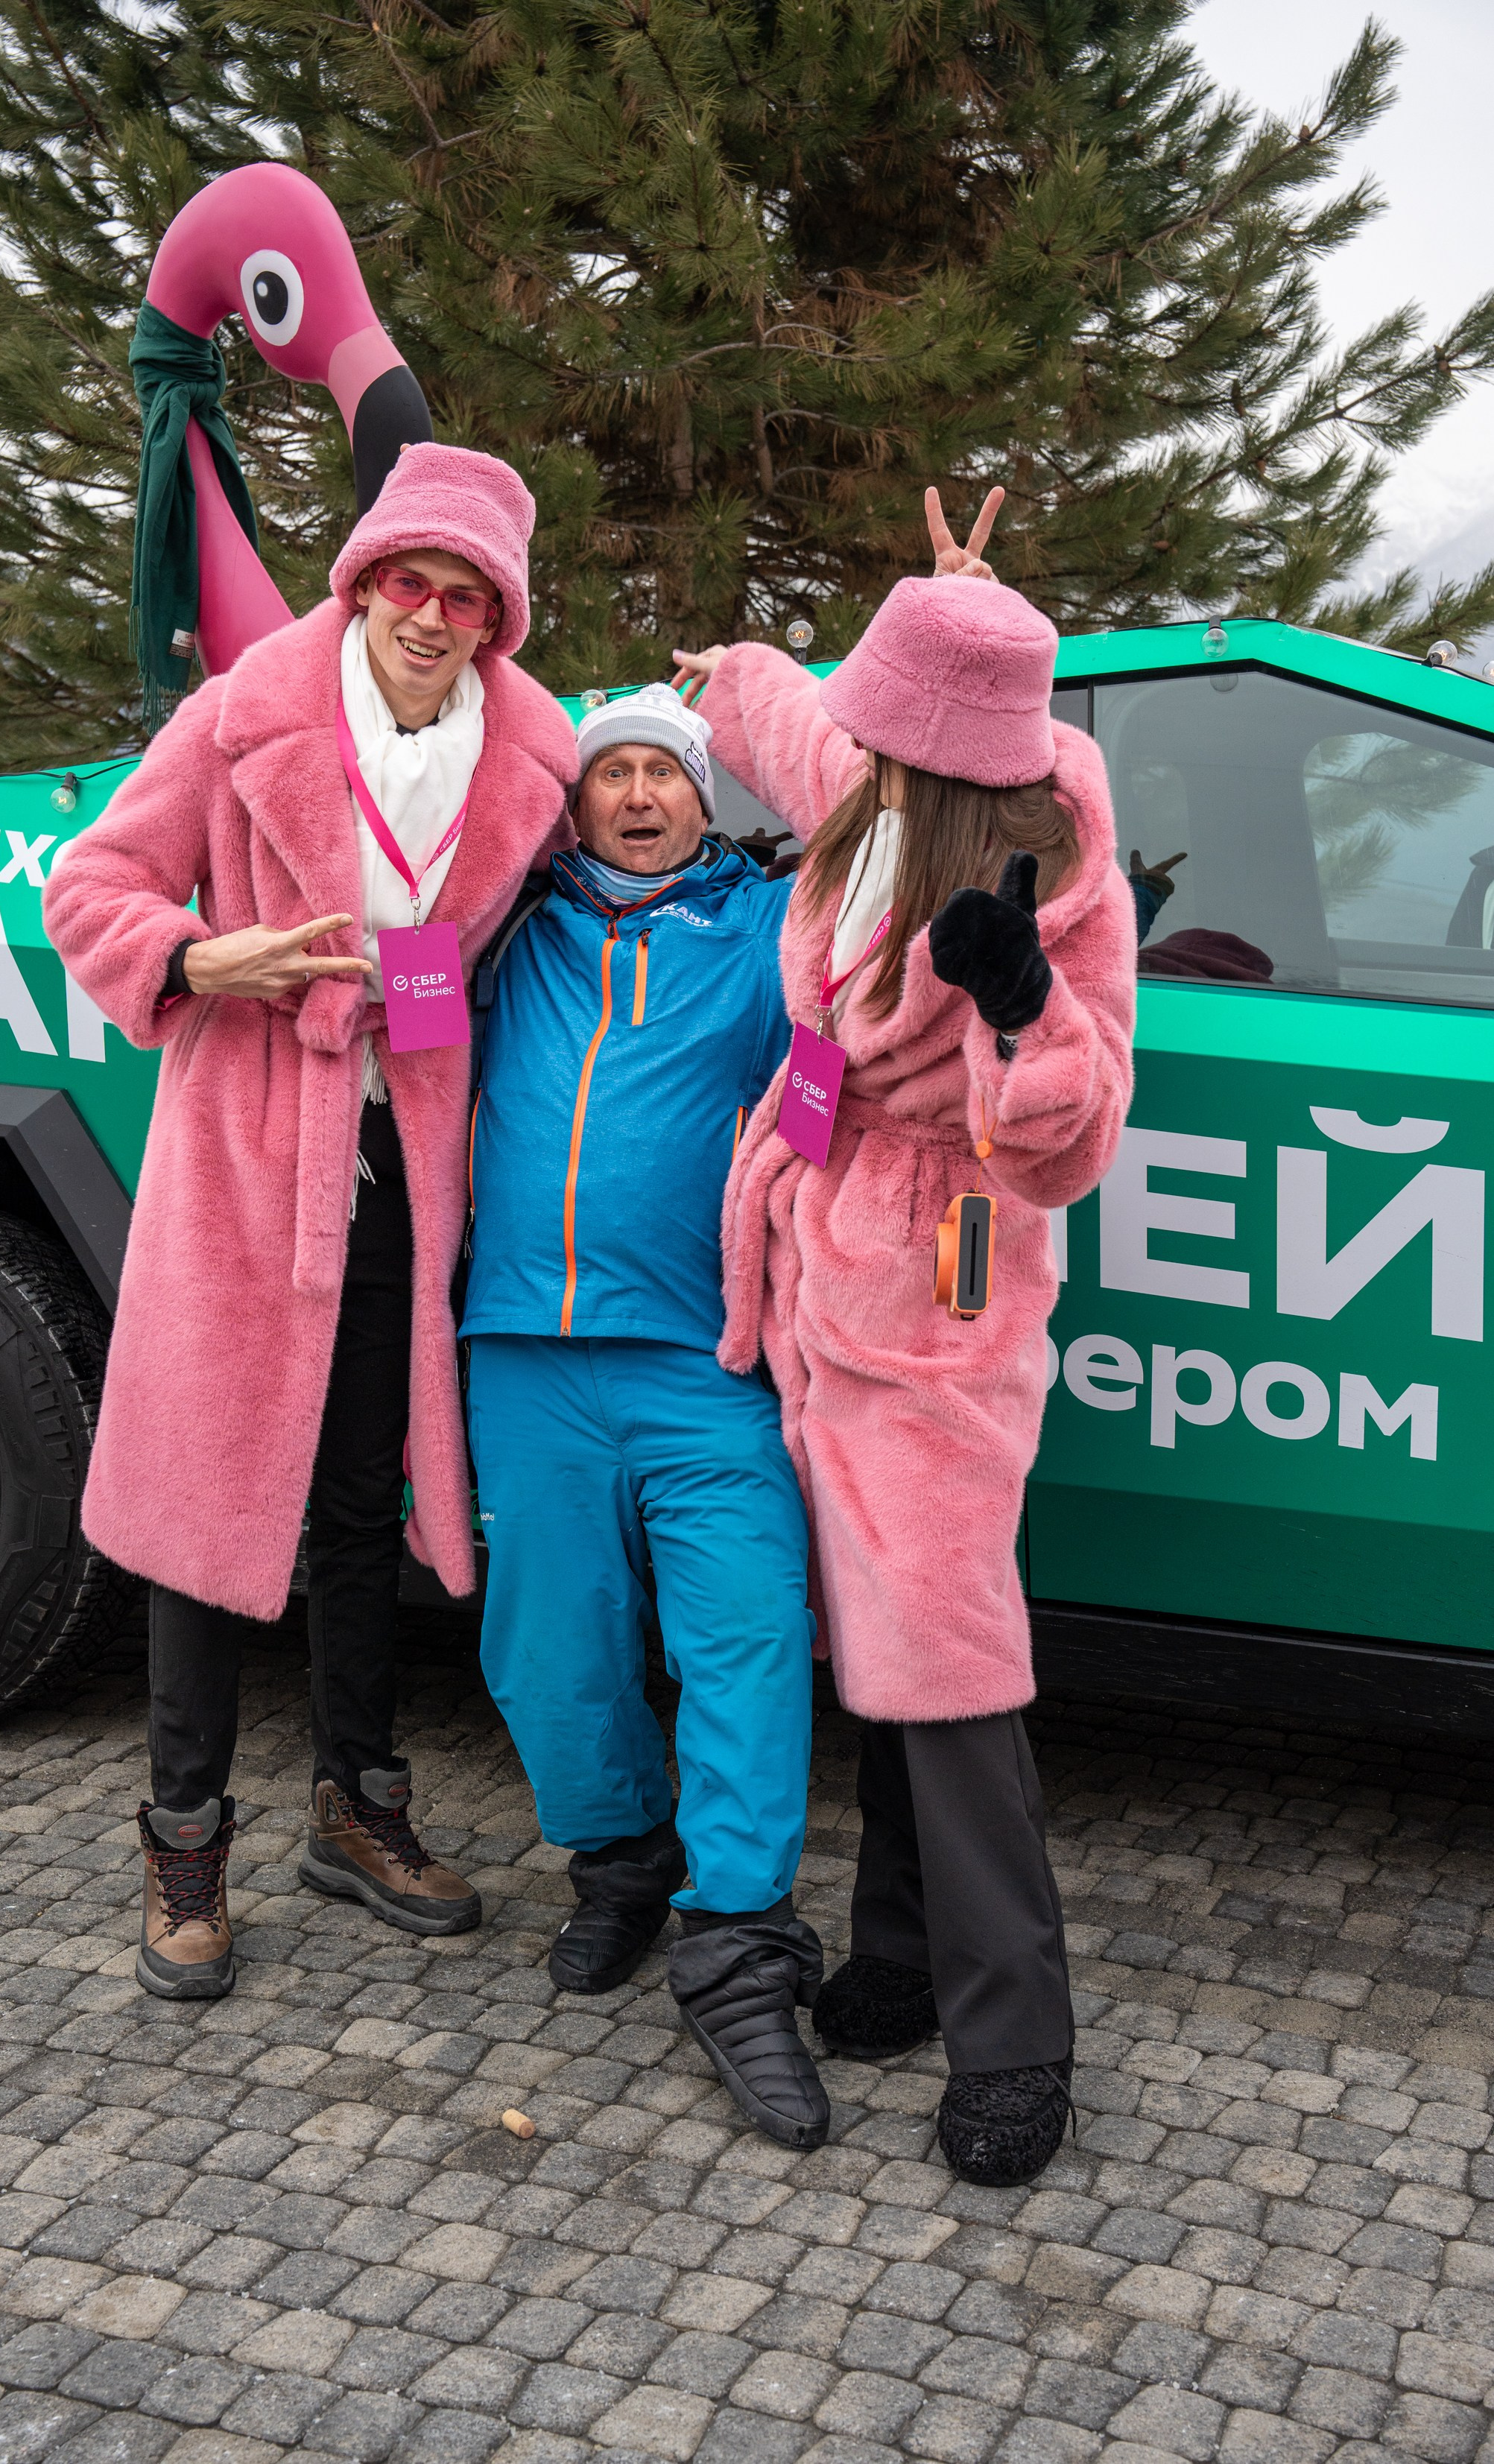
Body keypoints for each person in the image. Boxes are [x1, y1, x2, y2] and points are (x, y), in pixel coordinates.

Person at [45, 443, 576, 2001]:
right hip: (242, 1171)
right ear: (364, 582)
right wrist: (205, 962)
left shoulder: (525, 762)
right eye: (409, 579)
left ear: (497, 619)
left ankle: (357, 1803)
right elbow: (91, 882)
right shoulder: (243, 715)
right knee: (207, 1518)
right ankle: (184, 1839)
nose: (430, 611)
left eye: (465, 593)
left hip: (404, 1171)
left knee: (358, 1503)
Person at [672, 491, 1136, 2186]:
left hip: (937, 1270)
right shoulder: (867, 787)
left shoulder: (1053, 865)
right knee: (871, 1620)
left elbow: (1073, 1137)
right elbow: (802, 726)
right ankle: (893, 1952)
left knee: (944, 1654)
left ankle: (1016, 2034)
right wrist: (724, 672)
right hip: (812, 1246)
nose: (840, 728)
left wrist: (1018, 1004)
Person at [461, 682, 829, 2150]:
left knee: (742, 1630)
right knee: (548, 1651)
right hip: (521, 1357)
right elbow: (371, 925)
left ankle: (736, 1941)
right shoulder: (498, 937)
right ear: (568, 798)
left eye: (660, 773)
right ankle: (618, 1860)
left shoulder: (759, 935)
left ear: (701, 797)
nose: (632, 794)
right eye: (605, 770)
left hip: (701, 1359)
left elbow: (874, 874)